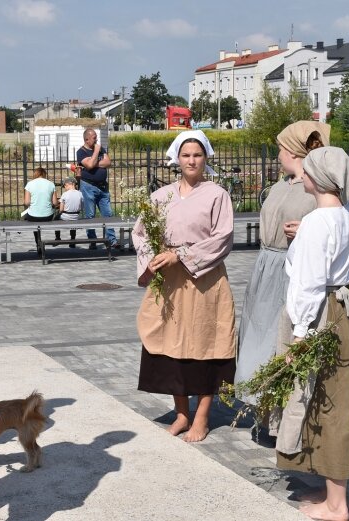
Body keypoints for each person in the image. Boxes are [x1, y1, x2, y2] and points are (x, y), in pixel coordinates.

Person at [276, 146, 349, 521]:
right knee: (332, 400)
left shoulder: (316, 223)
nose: (302, 176)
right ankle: (328, 488)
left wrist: (301, 335)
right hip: (343, 313)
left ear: (317, 178)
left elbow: (307, 286)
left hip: (322, 317)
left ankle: (337, 505)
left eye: (306, 171)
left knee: (329, 404)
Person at [133, 130, 236, 443]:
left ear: (206, 158)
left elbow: (223, 237)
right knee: (171, 346)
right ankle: (181, 413)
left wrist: (182, 255)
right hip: (170, 284)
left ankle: (202, 416)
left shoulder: (217, 194)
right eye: (186, 155)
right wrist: (153, 260)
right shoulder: (160, 196)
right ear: (177, 159)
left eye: (197, 155)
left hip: (204, 281)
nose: (192, 161)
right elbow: (140, 233)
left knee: (207, 346)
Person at [234, 121, 330, 409]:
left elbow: (334, 224)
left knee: (282, 338)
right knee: (257, 334)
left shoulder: (318, 187)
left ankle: (282, 408)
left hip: (292, 269)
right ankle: (260, 400)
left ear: (293, 151)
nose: (277, 156)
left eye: (280, 149)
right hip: (266, 267)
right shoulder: (280, 186)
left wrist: (307, 229)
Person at [77, 128, 119, 249]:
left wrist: (93, 162)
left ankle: (112, 240)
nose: (97, 140)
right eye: (94, 138)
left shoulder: (102, 149)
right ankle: (93, 241)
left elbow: (108, 162)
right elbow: (89, 165)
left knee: (108, 213)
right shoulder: (81, 152)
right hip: (88, 186)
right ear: (87, 139)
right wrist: (95, 152)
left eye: (96, 137)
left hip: (103, 187)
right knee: (90, 215)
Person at [23, 166, 58, 254]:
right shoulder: (51, 184)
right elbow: (55, 203)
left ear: (35, 174)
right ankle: (56, 238)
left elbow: (26, 202)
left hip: (33, 216)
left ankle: (38, 242)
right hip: (48, 216)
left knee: (28, 217)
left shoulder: (30, 184)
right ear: (44, 174)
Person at [54, 177, 82, 246]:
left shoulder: (65, 194)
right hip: (76, 216)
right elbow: (82, 207)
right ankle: (73, 239)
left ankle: (57, 238)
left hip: (66, 216)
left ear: (68, 184)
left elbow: (61, 209)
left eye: (64, 186)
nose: (65, 188)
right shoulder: (80, 194)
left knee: (56, 219)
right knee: (73, 224)